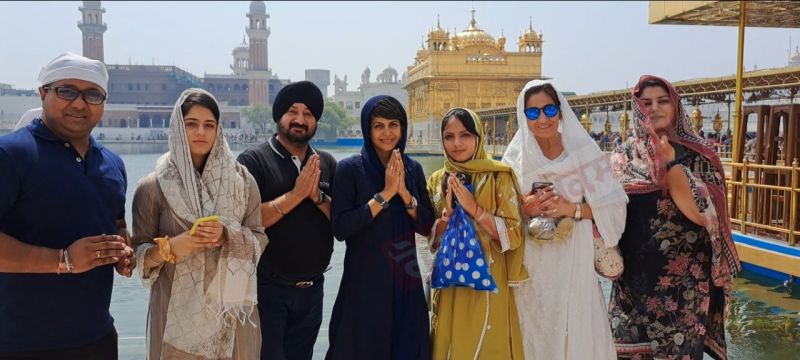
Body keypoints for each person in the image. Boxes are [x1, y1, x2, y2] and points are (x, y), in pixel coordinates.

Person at [0, 52, 134, 359]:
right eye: (67, 91)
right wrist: (62, 260)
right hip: (20, 343)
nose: (79, 103)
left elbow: (115, 224)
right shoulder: (12, 155)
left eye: (92, 94)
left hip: (97, 338)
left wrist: (122, 252)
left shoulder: (112, 164)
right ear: (43, 93)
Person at [609, 75, 740, 359]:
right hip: (631, 283)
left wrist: (670, 164)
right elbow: (605, 211)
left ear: (675, 106)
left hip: (683, 287)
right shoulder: (624, 157)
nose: (653, 109)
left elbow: (702, 213)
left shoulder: (699, 156)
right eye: (646, 104)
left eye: (662, 101)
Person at [131, 88, 267, 359]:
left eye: (209, 125)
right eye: (191, 124)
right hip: (173, 314)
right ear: (177, 128)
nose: (201, 133)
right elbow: (138, 259)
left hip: (232, 314)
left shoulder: (242, 182)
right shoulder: (153, 187)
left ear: (219, 130)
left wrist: (227, 234)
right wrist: (171, 248)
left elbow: (259, 237)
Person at [502, 80, 628, 359]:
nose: (543, 118)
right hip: (532, 269)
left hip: (574, 263)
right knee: (535, 333)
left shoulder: (584, 155)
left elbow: (616, 208)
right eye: (533, 113)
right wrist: (525, 208)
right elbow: (499, 216)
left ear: (560, 111)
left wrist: (571, 209)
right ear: (524, 117)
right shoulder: (515, 161)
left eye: (549, 109)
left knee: (577, 335)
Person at [326, 96, 435, 359]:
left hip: (404, 275)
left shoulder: (412, 169)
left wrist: (406, 195)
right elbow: (341, 228)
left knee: (407, 346)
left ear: (402, 127)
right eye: (378, 126)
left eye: (393, 125)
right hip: (365, 278)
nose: (387, 133)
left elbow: (426, 225)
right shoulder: (350, 169)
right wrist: (385, 195)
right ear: (367, 129)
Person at [236, 81, 337, 360]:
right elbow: (245, 221)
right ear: (279, 116)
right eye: (293, 111)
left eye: (308, 114)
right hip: (268, 291)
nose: (300, 120)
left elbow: (339, 222)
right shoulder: (254, 161)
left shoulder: (325, 163)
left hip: (313, 290)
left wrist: (316, 197)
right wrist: (296, 194)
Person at [426, 107, 528, 360]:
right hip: (450, 282)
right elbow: (429, 243)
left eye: (465, 135)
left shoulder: (498, 176)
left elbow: (514, 235)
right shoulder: (437, 180)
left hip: (489, 281)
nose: (457, 143)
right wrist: (444, 221)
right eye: (449, 137)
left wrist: (474, 209)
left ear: (478, 137)